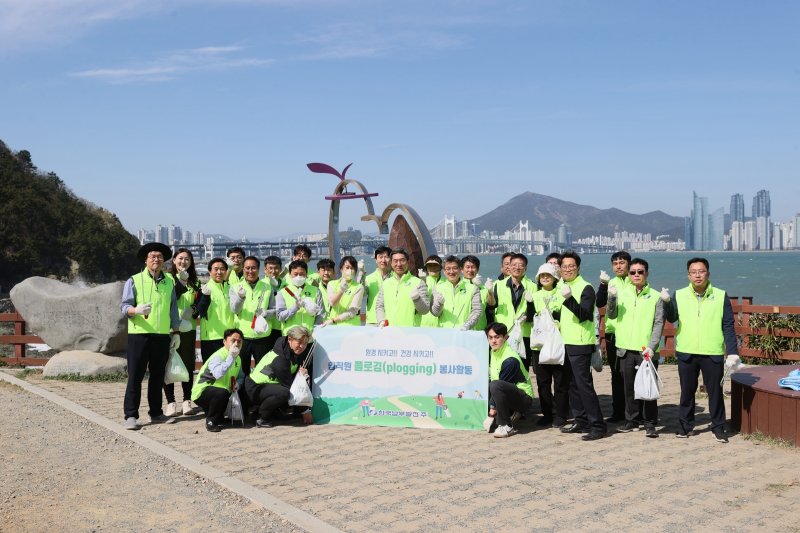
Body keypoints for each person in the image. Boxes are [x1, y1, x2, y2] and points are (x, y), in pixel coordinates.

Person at [663, 257, 738, 443]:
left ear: (708, 273)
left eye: (701, 271)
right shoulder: (679, 294)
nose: (697, 275)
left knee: (715, 392)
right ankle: (685, 426)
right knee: (687, 392)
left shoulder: (720, 295)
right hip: (686, 350)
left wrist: (733, 351)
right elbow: (672, 318)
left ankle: (719, 427)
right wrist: (666, 302)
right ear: (688, 275)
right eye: (693, 272)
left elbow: (728, 325)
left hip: (712, 351)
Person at [120, 242, 180, 430]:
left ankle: (156, 413)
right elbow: (124, 307)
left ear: (164, 261)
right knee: (135, 376)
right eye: (153, 256)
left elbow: (173, 310)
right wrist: (135, 310)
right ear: (146, 260)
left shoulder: (169, 281)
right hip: (140, 334)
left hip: (162, 335)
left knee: (157, 376)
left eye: (160, 257)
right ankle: (130, 415)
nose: (156, 259)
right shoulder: (134, 280)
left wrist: (176, 331)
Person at [606, 258, 664, 438]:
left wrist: (652, 346)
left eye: (640, 272)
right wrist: (612, 297)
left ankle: (650, 423)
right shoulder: (621, 292)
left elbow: (658, 323)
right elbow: (611, 314)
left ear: (647, 273)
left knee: (647, 388)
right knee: (628, 387)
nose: (636, 275)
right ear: (629, 274)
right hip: (624, 348)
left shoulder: (655, 296)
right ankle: (631, 419)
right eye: (633, 272)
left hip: (645, 351)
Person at [557, 251, 607, 440]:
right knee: (572, 385)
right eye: (564, 267)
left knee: (584, 385)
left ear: (578, 267)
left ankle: (598, 425)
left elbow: (585, 314)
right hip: (565, 342)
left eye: (571, 266)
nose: (568, 269)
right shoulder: (561, 285)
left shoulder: (585, 287)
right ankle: (581, 420)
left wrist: (569, 299)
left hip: (580, 342)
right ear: (560, 269)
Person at [244, 325, 313, 428]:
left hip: (268, 387)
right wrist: (305, 412)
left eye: (305, 343)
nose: (302, 346)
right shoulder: (281, 358)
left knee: (284, 392)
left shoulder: (289, 350)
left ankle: (272, 412)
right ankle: (261, 417)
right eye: (299, 342)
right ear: (289, 339)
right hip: (254, 388)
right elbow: (292, 389)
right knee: (284, 393)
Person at [529, 262, 570, 428]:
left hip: (557, 343)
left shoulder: (561, 293)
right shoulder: (534, 294)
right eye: (542, 276)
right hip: (539, 346)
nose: (545, 278)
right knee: (543, 382)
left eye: (548, 275)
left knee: (560, 382)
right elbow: (529, 317)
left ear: (555, 278)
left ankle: (561, 415)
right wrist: (530, 304)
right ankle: (547, 414)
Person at [163, 247, 201, 418]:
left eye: (187, 259)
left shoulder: (196, 282)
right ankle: (170, 402)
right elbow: (169, 300)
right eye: (180, 258)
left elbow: (200, 305)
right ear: (174, 260)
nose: (183, 262)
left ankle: (187, 400)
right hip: (170, 329)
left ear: (191, 262)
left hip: (188, 329)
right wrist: (181, 283)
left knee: (188, 364)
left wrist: (194, 310)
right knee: (168, 364)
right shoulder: (166, 279)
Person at [595, 250, 631, 423]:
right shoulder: (610, 283)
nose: (618, 266)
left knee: (632, 374)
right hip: (613, 334)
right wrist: (603, 284)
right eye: (615, 263)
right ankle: (618, 411)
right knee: (616, 374)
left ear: (629, 265)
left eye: (622, 262)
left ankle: (635, 412)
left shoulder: (635, 282)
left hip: (632, 334)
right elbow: (599, 302)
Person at [486, 322, 534, 438]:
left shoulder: (510, 359)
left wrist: (491, 413)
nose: (493, 341)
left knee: (495, 385)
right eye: (490, 337)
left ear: (505, 338)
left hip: (523, 398)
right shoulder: (494, 352)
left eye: (497, 337)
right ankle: (510, 414)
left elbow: (499, 385)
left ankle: (506, 425)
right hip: (508, 392)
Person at [191, 328, 243, 432]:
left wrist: (238, 384)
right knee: (222, 393)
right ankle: (211, 421)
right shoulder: (218, 356)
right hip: (202, 392)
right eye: (233, 340)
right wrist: (230, 357)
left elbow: (241, 376)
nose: (236, 344)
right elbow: (218, 374)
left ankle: (219, 417)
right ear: (224, 342)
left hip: (222, 390)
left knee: (236, 391)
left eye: (239, 341)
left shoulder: (238, 358)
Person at [489, 253, 536, 368]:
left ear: (526, 268)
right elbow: (490, 308)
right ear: (509, 267)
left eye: (521, 265)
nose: (517, 267)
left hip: (523, 335)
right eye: (514, 264)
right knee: (501, 367)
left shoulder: (533, 286)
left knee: (521, 369)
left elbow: (533, 315)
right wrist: (489, 293)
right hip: (503, 334)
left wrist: (530, 304)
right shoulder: (497, 285)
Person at [229, 256, 274, 376]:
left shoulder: (267, 286)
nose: (250, 271)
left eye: (253, 268)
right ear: (243, 269)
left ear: (258, 269)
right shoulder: (235, 287)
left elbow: (274, 311)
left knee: (263, 372)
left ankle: (260, 394)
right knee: (242, 372)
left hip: (263, 336)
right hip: (242, 337)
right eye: (247, 268)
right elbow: (234, 309)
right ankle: (244, 395)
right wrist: (240, 298)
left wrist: (266, 313)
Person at [375, 248, 431, 327]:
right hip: (389, 332)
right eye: (395, 261)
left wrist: (417, 299)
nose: (399, 264)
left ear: (408, 262)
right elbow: (379, 306)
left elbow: (425, 310)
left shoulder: (418, 283)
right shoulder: (386, 283)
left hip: (410, 333)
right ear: (391, 263)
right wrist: (381, 321)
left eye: (402, 260)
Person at [196, 257, 235, 361]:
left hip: (229, 337)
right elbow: (200, 311)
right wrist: (205, 297)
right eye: (216, 269)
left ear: (226, 271)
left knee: (229, 370)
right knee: (211, 371)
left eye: (222, 269)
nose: (219, 272)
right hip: (211, 337)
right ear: (210, 271)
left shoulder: (231, 288)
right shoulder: (204, 289)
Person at [430, 255, 482, 330]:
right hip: (444, 332)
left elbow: (477, 311)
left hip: (464, 332)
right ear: (444, 271)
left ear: (460, 269)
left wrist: (467, 325)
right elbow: (435, 313)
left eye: (455, 268)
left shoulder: (473, 288)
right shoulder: (437, 288)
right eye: (448, 269)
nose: (451, 271)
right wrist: (439, 304)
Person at [275, 260, 325, 334]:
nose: (298, 277)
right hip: (290, 337)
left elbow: (321, 314)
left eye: (302, 274)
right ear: (289, 274)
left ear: (306, 274)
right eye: (295, 274)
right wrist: (295, 307)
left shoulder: (315, 291)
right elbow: (280, 316)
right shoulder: (283, 292)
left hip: (309, 336)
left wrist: (315, 330)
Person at [324, 256, 364, 326]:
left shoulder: (358, 287)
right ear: (341, 269)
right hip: (334, 327)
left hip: (351, 326)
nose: (350, 271)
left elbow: (353, 311)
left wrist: (334, 320)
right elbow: (332, 303)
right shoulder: (332, 284)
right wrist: (341, 290)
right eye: (347, 267)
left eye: (352, 268)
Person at [364, 246, 392, 326]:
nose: (383, 260)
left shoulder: (396, 278)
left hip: (392, 320)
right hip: (373, 321)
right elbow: (362, 295)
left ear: (391, 259)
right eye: (380, 257)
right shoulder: (368, 279)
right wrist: (361, 277)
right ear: (376, 260)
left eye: (386, 257)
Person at [460, 255, 490, 330]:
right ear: (461, 269)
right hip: (461, 329)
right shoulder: (458, 287)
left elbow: (491, 307)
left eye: (473, 267)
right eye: (467, 267)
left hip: (479, 330)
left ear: (477, 269)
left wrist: (490, 292)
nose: (470, 270)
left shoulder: (484, 289)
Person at [263, 256, 285, 351]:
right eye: (270, 268)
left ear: (280, 269)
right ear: (265, 270)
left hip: (281, 327)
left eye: (276, 268)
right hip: (266, 328)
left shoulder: (286, 285)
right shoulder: (261, 285)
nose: (273, 271)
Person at [419, 255, 442, 327]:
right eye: (429, 266)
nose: (433, 268)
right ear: (426, 268)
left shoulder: (447, 283)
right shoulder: (421, 281)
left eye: (435, 265)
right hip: (424, 324)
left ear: (440, 267)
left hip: (442, 324)